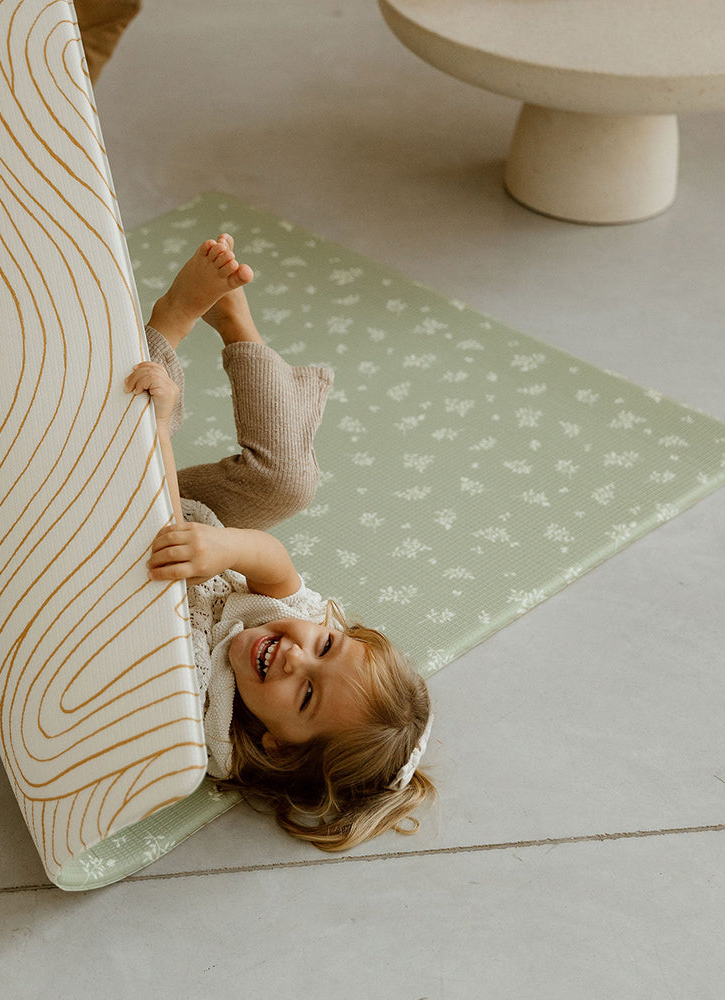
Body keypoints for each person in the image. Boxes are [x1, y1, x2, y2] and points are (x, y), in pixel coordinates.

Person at [124, 235, 435, 851]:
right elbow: (276, 565)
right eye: (326, 645)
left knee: (134, 444)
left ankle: (170, 321)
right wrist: (228, 550)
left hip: (128, 541)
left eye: (308, 693)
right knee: (288, 482)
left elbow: (153, 553)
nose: (298, 655)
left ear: (278, 745)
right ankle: (238, 327)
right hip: (199, 527)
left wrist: (157, 427)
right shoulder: (301, 625)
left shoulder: (203, 731)